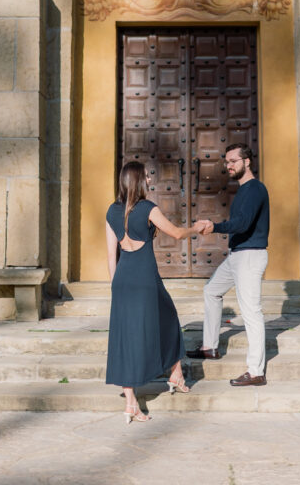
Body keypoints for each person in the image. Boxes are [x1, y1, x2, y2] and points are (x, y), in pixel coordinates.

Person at [105, 160, 206, 423]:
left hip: (122, 279)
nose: (150, 181)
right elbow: (175, 234)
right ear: (138, 181)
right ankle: (175, 373)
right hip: (145, 276)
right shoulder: (148, 208)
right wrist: (196, 227)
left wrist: (115, 286)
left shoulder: (111, 211)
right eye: (147, 177)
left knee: (125, 336)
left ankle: (132, 402)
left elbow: (110, 255)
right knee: (169, 319)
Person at [188, 144, 270, 386]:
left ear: (247, 162)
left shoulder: (255, 189)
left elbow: (243, 224)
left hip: (250, 256)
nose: (229, 165)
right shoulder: (243, 190)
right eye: (227, 162)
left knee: (251, 312)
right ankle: (210, 347)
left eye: (234, 160)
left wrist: (215, 227)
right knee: (211, 291)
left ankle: (256, 372)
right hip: (236, 256)